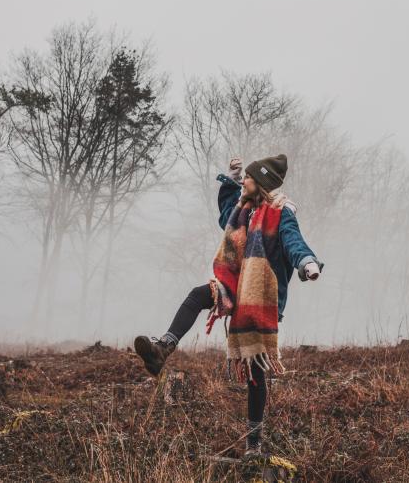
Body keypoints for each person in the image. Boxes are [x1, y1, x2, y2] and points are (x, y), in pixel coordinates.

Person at [134, 153, 324, 459]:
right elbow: (225, 212)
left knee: (255, 372)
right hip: (235, 284)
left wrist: (307, 263)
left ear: (260, 183)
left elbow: (293, 242)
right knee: (199, 295)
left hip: (261, 296)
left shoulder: (281, 215)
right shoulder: (243, 211)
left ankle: (254, 445)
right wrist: (233, 179)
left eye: (248, 178)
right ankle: (162, 349)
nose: (244, 182)